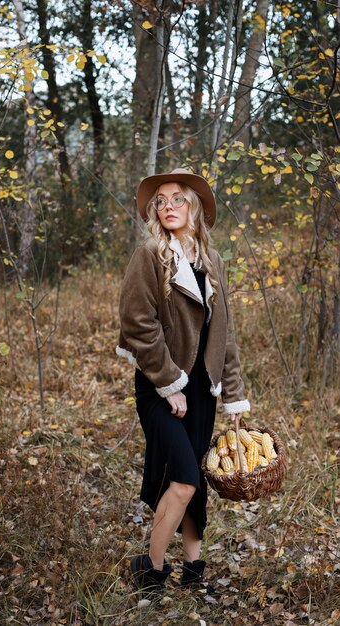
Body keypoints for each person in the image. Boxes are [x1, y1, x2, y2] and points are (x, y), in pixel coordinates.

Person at [116, 168, 251, 597]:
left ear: (193, 207)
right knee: (185, 477)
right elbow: (138, 325)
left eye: (177, 198)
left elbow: (223, 334)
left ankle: (193, 567)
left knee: (194, 476)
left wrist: (233, 396)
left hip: (202, 389)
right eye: (160, 200)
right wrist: (169, 382)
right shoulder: (150, 255)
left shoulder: (212, 263)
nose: (168, 206)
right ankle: (151, 568)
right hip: (160, 386)